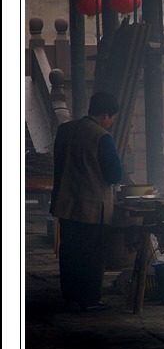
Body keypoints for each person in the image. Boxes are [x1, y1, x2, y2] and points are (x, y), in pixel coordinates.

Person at [50, 91, 123, 312]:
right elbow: (114, 175)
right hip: (92, 207)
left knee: (70, 253)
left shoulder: (65, 130)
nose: (110, 124)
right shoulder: (102, 137)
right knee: (92, 256)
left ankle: (71, 298)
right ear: (107, 116)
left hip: (66, 204)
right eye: (112, 119)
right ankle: (90, 300)